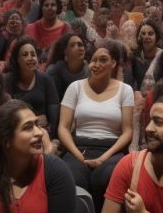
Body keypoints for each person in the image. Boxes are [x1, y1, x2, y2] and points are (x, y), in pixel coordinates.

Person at [0, 99, 77, 212]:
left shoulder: (54, 170)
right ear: (6, 140)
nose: (39, 133)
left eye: (37, 125)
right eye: (28, 128)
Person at [57, 39, 134, 211]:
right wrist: (79, 156)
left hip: (112, 149)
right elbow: (63, 128)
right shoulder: (75, 87)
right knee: (72, 176)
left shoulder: (125, 90)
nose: (96, 64)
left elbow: (128, 131)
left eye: (103, 60)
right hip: (79, 148)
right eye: (93, 60)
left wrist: (103, 158)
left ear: (113, 63)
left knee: (107, 177)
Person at [4, 36, 60, 136]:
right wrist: (35, 121)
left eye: (33, 54)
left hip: (43, 133)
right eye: (25, 55)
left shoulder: (46, 80)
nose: (30, 58)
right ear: (17, 60)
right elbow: (6, 118)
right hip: (16, 135)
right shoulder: (6, 81)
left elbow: (54, 118)